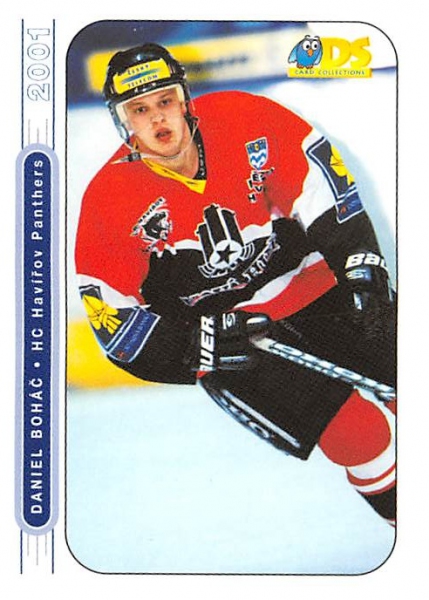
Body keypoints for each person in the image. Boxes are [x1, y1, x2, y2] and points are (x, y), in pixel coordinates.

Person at [75, 42, 397, 527]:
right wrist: (199, 346)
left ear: (184, 98)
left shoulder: (248, 120)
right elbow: (117, 327)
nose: (158, 119)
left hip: (315, 286)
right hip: (234, 339)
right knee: (359, 435)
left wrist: (359, 267)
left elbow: (326, 195)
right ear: (122, 121)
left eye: (165, 100)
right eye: (139, 109)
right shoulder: (107, 201)